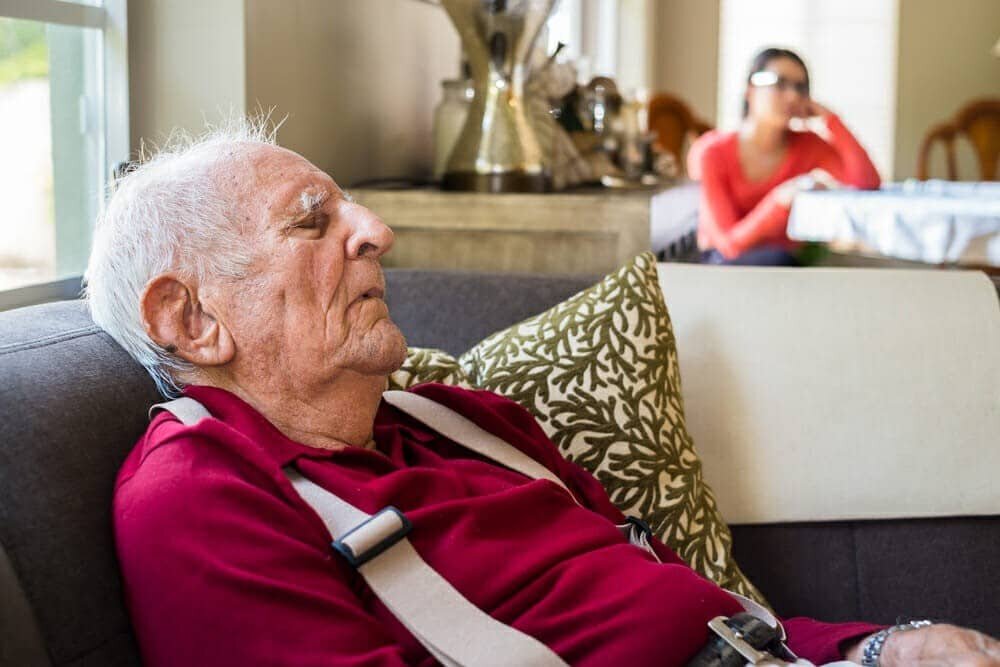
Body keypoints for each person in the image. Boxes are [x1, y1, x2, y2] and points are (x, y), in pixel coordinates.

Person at [85, 123, 998, 666]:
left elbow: (703, 608)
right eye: (313, 221)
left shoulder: (468, 421)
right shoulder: (199, 495)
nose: (378, 231)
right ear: (192, 320)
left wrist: (871, 647)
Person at [688, 48, 881, 266]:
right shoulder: (711, 152)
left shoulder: (808, 145)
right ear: (750, 89)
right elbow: (728, 245)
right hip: (721, 266)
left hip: (783, 265)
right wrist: (781, 200)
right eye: (779, 83)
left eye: (800, 88)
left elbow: (866, 182)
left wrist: (831, 120)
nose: (792, 96)